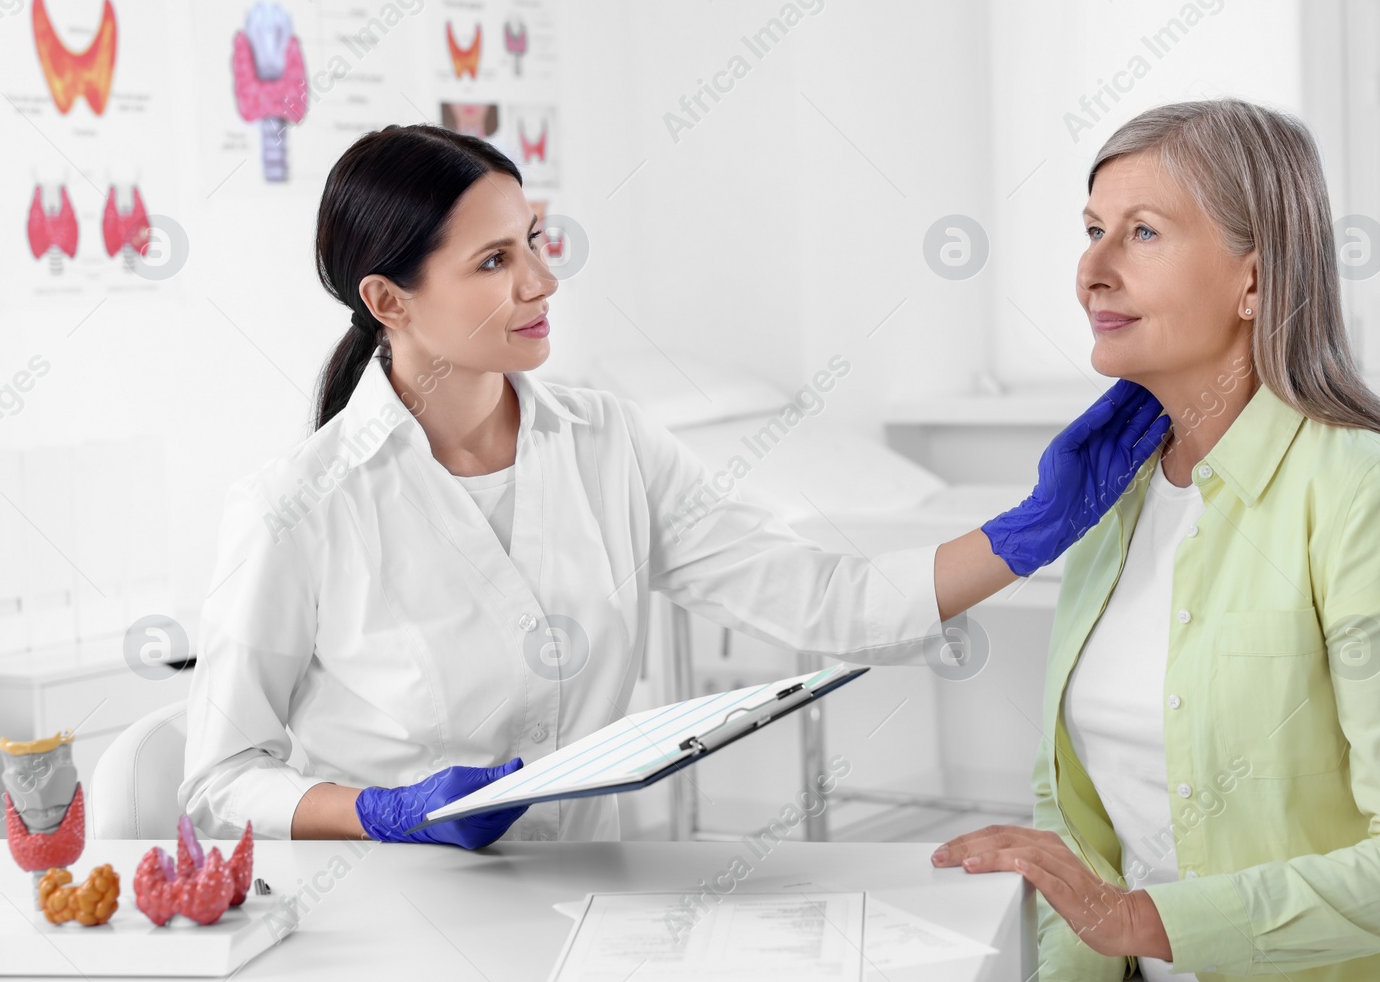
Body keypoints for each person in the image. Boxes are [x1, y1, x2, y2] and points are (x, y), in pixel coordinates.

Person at [179, 123, 1170, 850]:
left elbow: (825, 596)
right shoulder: (297, 508)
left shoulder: (608, 444)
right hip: (387, 920)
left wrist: (1031, 527)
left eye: (533, 240)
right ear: (390, 300)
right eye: (494, 260)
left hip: (587, 890)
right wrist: (381, 813)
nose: (540, 282)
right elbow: (221, 781)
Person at [931, 98, 1380, 981]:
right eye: (1091, 228)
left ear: (1254, 280)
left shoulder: (1366, 491)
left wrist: (1138, 920)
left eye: (1140, 233)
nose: (1090, 271)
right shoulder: (1115, 493)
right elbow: (1074, 813)